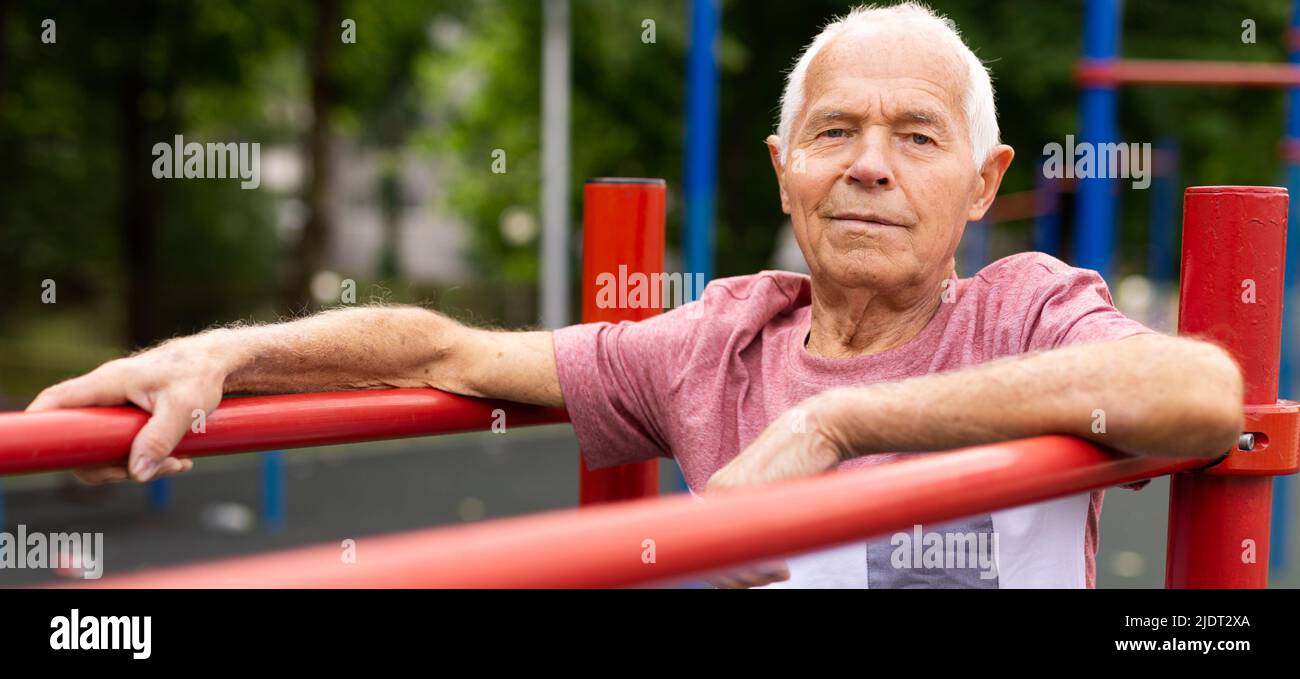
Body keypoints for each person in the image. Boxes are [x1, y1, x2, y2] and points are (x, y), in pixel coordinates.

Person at [27, 2, 1243, 588]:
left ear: (982, 185)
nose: (869, 161)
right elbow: (448, 350)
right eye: (836, 130)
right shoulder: (717, 338)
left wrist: (838, 421)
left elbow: (1195, 390)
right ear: (788, 168)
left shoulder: (1022, 307)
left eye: (916, 137)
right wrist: (219, 357)